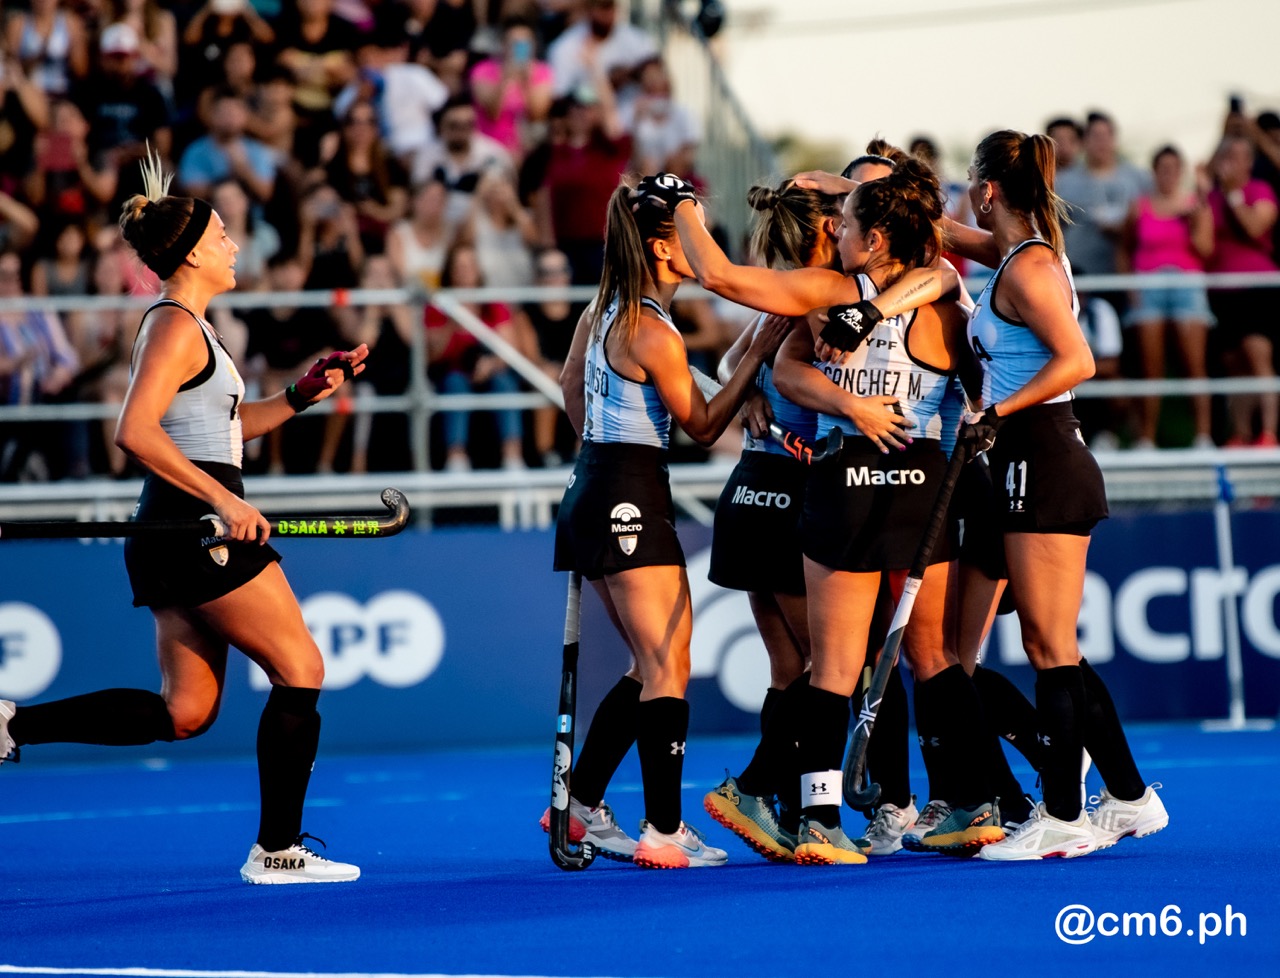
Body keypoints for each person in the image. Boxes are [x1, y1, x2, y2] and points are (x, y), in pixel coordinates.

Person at [0, 152, 369, 885]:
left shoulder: (191, 325)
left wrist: (299, 396)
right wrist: (225, 502)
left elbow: (222, 432)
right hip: (197, 524)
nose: (233, 245)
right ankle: (277, 849)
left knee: (186, 713)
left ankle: (12, 724)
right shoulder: (174, 326)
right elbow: (135, 431)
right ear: (194, 252)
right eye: (223, 234)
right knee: (302, 668)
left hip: (180, 526)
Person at [541, 176, 787, 869]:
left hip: (596, 485)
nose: (701, 244)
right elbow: (704, 426)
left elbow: (569, 385)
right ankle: (665, 828)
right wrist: (755, 357)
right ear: (660, 245)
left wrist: (601, 457)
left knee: (654, 662)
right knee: (666, 665)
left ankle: (580, 803)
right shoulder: (650, 328)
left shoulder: (604, 309)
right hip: (628, 492)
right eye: (691, 231)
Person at [953, 129, 1168, 860]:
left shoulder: (1031, 265)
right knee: (1055, 644)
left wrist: (996, 411)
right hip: (1030, 457)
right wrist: (861, 193)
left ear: (988, 190)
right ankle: (1130, 797)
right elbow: (945, 232)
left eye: (969, 182)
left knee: (1049, 646)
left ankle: (1063, 817)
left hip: (1042, 454)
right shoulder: (1017, 254)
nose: (964, 195)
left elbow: (1078, 359)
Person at [1201, 135, 1279, 447]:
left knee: (1258, 354)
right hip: (1222, 289)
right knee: (1234, 362)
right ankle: (1242, 431)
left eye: (1237, 156)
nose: (1230, 162)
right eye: (1226, 155)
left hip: (1257, 287)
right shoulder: (1211, 197)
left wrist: (1234, 194)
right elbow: (1205, 244)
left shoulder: (1260, 191)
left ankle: (1269, 432)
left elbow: (1254, 227)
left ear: (1249, 161)